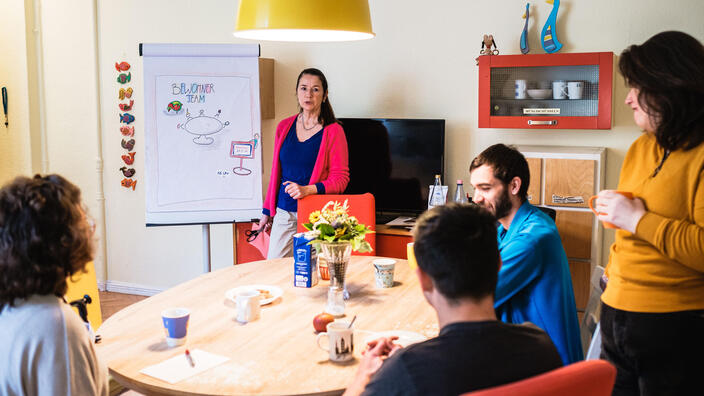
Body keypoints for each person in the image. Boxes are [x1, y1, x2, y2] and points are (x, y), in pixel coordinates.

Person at [344, 203, 563, 396]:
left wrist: (363, 376)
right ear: (498, 264)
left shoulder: (404, 373)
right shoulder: (540, 345)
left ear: (424, 280)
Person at [595, 31, 704, 395]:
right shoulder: (641, 147)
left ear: (669, 87)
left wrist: (638, 220)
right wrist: (612, 272)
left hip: (674, 325)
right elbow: (629, 233)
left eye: (636, 87)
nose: (627, 99)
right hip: (616, 311)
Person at [469, 144, 583, 365]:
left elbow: (476, 298)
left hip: (546, 369)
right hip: (523, 349)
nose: (476, 198)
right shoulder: (506, 229)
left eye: (485, 188)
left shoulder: (531, 239)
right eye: (475, 188)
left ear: (514, 185)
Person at [0, 174, 109, 395]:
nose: (89, 228)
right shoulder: (55, 327)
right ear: (61, 241)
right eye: (81, 222)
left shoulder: (13, 307)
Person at [256, 68, 349, 258]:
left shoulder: (334, 131)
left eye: (315, 89)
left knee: (313, 273)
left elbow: (341, 179)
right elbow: (277, 173)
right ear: (297, 92)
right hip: (284, 212)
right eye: (304, 88)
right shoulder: (284, 126)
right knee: (274, 269)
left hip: (318, 216)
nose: (309, 94)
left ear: (325, 95)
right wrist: (267, 210)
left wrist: (308, 189)